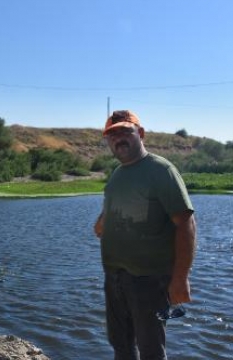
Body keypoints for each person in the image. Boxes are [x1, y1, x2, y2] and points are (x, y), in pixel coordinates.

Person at [93, 110, 197, 360]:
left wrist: (180, 278)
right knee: (121, 345)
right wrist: (101, 223)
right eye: (112, 134)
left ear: (140, 134)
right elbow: (111, 210)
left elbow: (186, 224)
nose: (118, 138)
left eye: (125, 131)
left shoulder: (161, 170)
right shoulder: (117, 174)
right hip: (115, 277)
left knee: (151, 350)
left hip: (150, 281)